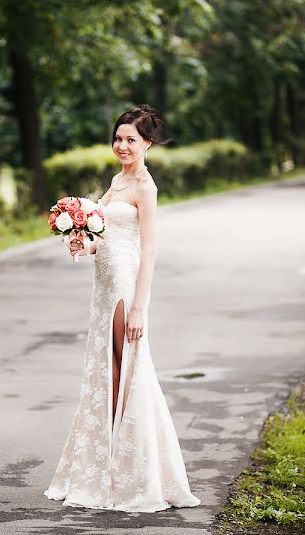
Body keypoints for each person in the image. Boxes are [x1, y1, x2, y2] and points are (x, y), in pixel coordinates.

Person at [43, 104, 201, 512]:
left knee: (124, 370)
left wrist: (139, 308)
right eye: (118, 138)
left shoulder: (145, 188)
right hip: (103, 286)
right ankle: (103, 465)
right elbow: (105, 237)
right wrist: (81, 242)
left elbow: (149, 251)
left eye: (131, 139)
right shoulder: (116, 181)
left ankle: (125, 470)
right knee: (107, 370)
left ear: (147, 143)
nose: (122, 145)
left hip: (124, 288)